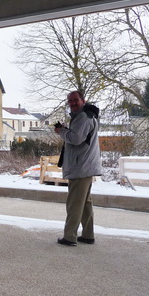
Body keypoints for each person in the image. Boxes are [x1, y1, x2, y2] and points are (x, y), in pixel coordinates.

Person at [54, 90, 102, 246]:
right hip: (86, 166)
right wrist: (66, 130)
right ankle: (88, 235)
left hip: (80, 167)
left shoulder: (82, 117)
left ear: (83, 100)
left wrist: (61, 130)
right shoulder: (87, 115)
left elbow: (75, 139)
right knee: (85, 202)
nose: (73, 103)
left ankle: (69, 236)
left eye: (76, 100)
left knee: (75, 203)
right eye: (70, 101)